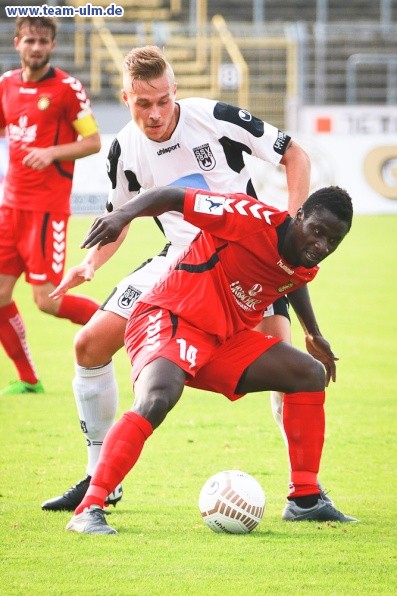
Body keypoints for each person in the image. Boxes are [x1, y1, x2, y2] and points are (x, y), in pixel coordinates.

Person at [41, 45, 318, 512]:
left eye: (163, 101)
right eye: (142, 103)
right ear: (126, 97)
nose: (154, 114)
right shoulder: (123, 148)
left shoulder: (214, 117)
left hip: (247, 258)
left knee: (289, 371)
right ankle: (99, 474)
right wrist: (92, 263)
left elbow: (295, 154)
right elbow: (120, 215)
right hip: (178, 262)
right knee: (89, 345)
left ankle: (305, 493)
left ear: (177, 92)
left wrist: (285, 232)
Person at [65, 183, 356, 534]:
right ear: (299, 216)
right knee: (158, 398)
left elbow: (293, 277)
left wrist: (312, 332)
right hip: (170, 316)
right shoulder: (249, 217)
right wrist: (122, 214)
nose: (321, 245)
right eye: (317, 232)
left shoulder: (304, 256)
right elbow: (174, 197)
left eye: (332, 242)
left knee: (308, 373)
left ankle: (305, 500)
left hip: (222, 339)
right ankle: (89, 507)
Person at [0, 16, 101, 395]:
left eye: (43, 41)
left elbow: (93, 142)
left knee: (46, 300)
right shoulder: (6, 85)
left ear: (53, 46)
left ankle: (122, 322)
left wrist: (52, 152)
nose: (36, 47)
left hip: (46, 209)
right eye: (29, 41)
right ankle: (28, 380)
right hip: (9, 207)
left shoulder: (67, 89)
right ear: (17, 43)